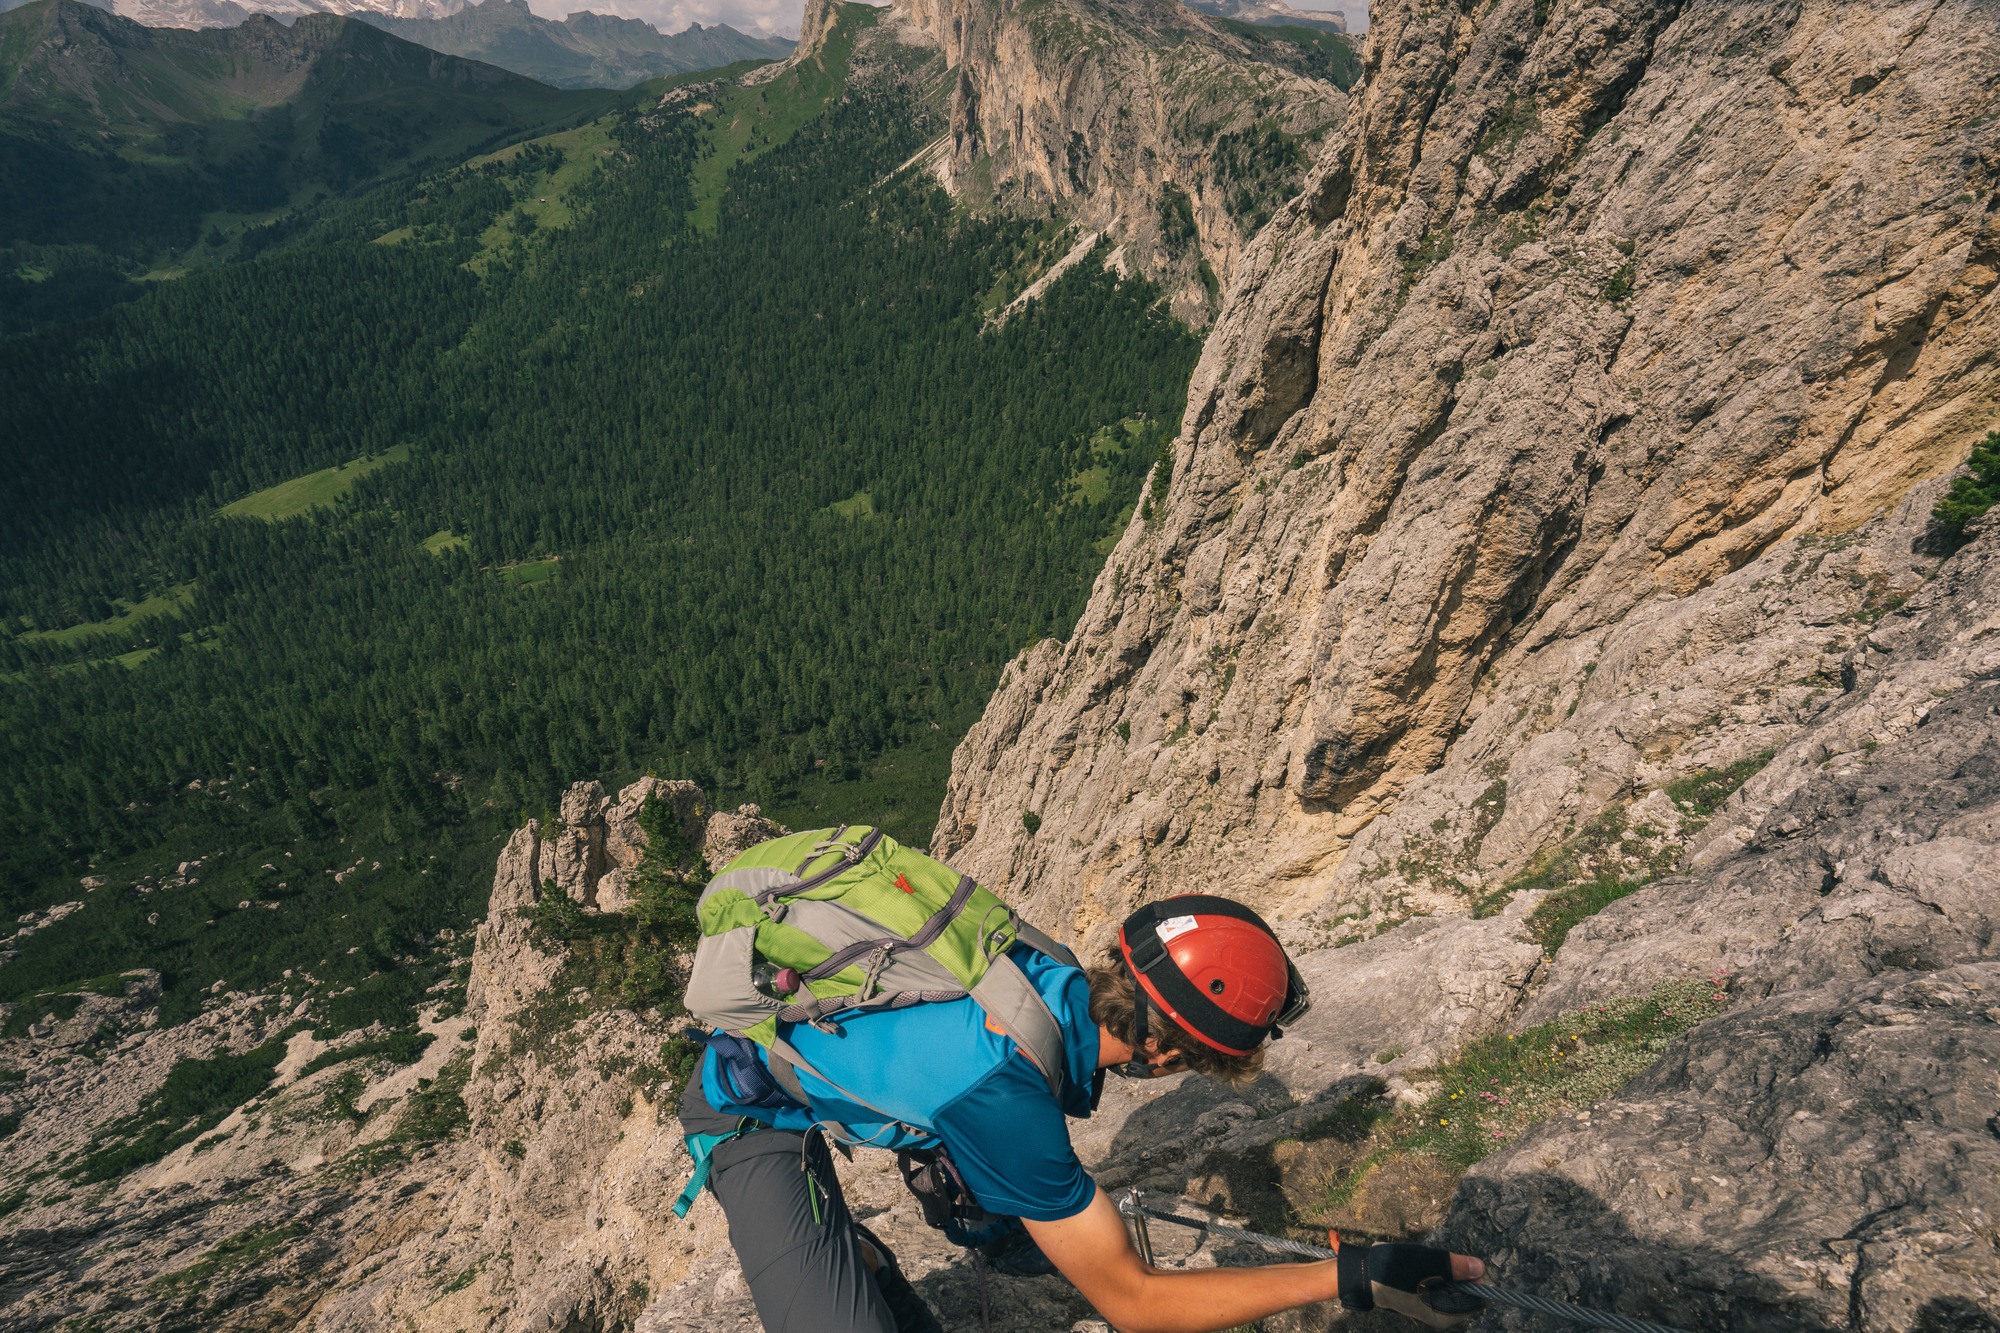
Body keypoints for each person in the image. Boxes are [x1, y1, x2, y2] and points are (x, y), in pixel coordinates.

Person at [677, 892, 1487, 1332]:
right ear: (1170, 1054)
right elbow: (1134, 1302)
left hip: (844, 1051)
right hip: (750, 1111)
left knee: (1008, 1179)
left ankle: (877, 1250)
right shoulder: (1006, 1096)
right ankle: (852, 1254)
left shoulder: (1050, 969)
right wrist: (1350, 1277)